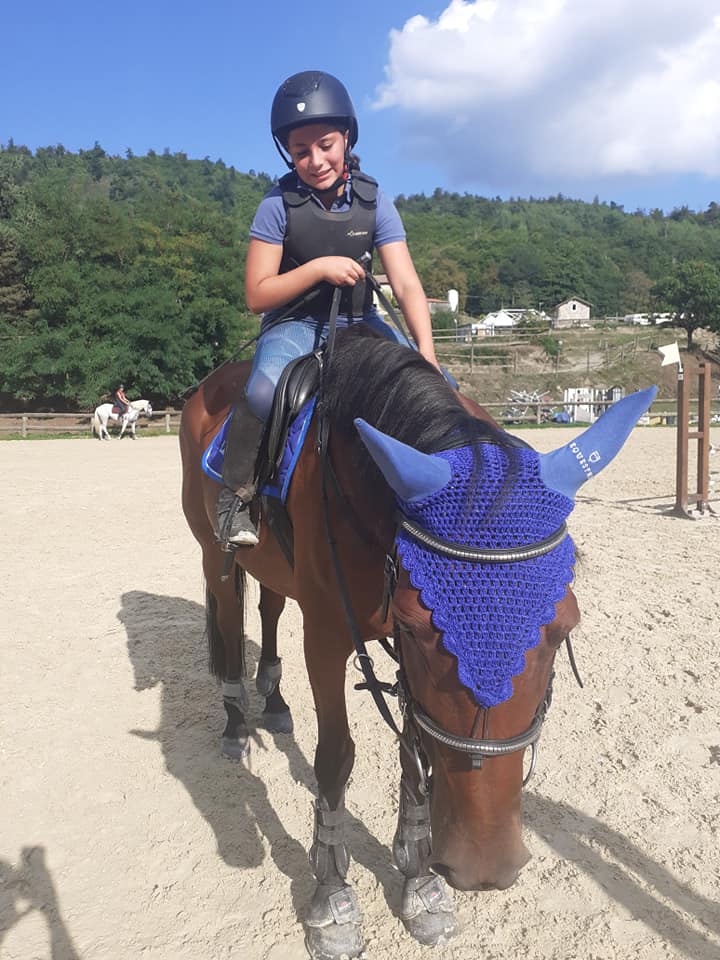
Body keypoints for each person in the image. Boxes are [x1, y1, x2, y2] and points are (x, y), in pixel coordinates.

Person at [217, 69, 441, 548]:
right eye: (301, 151)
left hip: (362, 321)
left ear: (346, 138)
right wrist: (318, 268)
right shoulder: (276, 205)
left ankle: (450, 495)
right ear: (287, 153)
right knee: (262, 390)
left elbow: (405, 282)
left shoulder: (376, 202)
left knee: (437, 391)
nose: (315, 160)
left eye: (325, 145)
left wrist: (427, 350)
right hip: (295, 323)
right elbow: (257, 294)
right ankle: (235, 500)